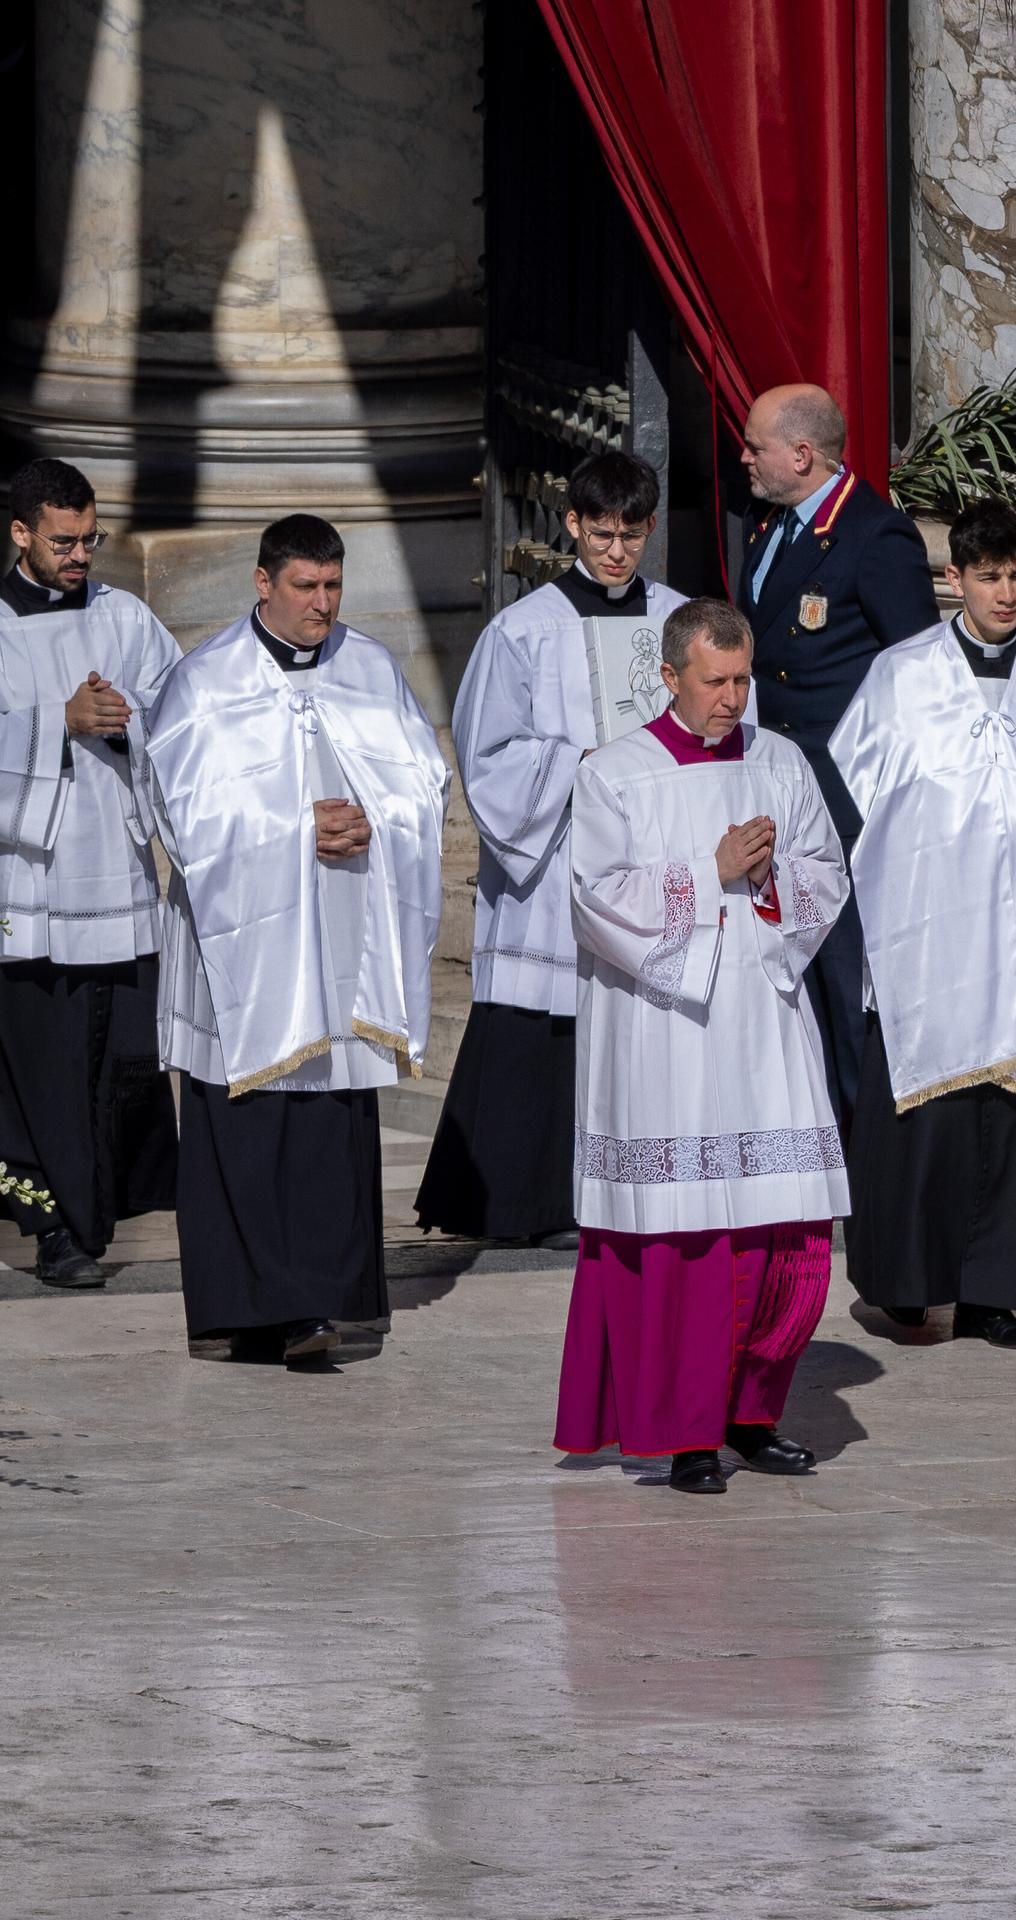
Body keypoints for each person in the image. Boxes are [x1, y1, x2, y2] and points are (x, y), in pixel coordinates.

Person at [554, 598, 849, 1494]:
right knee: (692, 1242)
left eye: (742, 679)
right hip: (668, 1038)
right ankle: (687, 1435)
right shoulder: (615, 774)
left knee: (784, 1235)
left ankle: (753, 1416)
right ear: (670, 675)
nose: (731, 699)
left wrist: (770, 883)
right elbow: (596, 900)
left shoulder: (782, 761)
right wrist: (708, 874)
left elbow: (827, 874)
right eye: (714, 681)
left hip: (762, 1027)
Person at [147, 515, 449, 1364]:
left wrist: (371, 823)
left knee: (328, 1121)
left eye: (333, 587)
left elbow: (422, 783)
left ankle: (322, 1300)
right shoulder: (204, 682)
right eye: (306, 588)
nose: (323, 606)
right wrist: (293, 828)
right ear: (263, 582)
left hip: (343, 927)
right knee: (246, 1119)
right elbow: (177, 808)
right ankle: (249, 1307)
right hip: (244, 939)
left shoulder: (371, 667)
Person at [830, 498, 1016, 1350]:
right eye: (989, 576)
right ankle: (911, 1285)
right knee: (927, 1108)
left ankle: (995, 1293)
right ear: (953, 577)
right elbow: (858, 789)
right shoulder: (902, 674)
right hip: (930, 928)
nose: (1007, 593)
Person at [414, 451, 689, 1250]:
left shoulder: (677, 620)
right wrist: (582, 762)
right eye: (600, 533)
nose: (615, 551)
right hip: (554, 860)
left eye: (631, 536)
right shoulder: (523, 630)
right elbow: (487, 752)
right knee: (544, 1031)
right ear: (571, 525)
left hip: (647, 853)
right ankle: (521, 1203)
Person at [737, 383, 938, 1128]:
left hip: (844, 800)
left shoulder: (875, 535)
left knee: (845, 975)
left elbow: (917, 674)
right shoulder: (769, 524)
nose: (744, 458)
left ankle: (867, 1163)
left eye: (755, 446)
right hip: (775, 785)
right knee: (794, 984)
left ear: (801, 453)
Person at [0, 458, 179, 1287]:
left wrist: (127, 725)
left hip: (116, 877)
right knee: (44, 1069)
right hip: (28, 891)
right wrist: (56, 723)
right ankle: (57, 1232)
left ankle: (100, 1213)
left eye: (91, 538)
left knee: (112, 1062)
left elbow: (183, 724)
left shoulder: (127, 618)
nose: (81, 555)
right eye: (64, 541)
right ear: (21, 533)